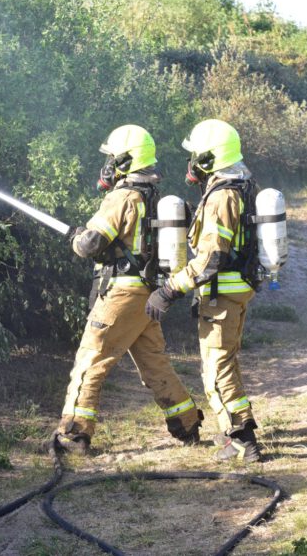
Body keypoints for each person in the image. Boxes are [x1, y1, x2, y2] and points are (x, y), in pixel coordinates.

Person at [55, 124, 203, 453]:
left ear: (126, 160)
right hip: (147, 294)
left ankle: (74, 433)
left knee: (90, 360)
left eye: (112, 157)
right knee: (154, 364)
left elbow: (92, 243)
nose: (108, 163)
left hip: (121, 294)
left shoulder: (122, 197)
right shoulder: (154, 197)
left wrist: (76, 239)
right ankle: (187, 423)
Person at [144, 119, 262, 463]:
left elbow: (211, 258)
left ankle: (241, 440)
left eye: (196, 154)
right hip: (235, 290)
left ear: (209, 158)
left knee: (215, 368)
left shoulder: (223, 195)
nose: (191, 161)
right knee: (226, 362)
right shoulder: (242, 185)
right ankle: (240, 428)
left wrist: (169, 290)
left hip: (221, 294)